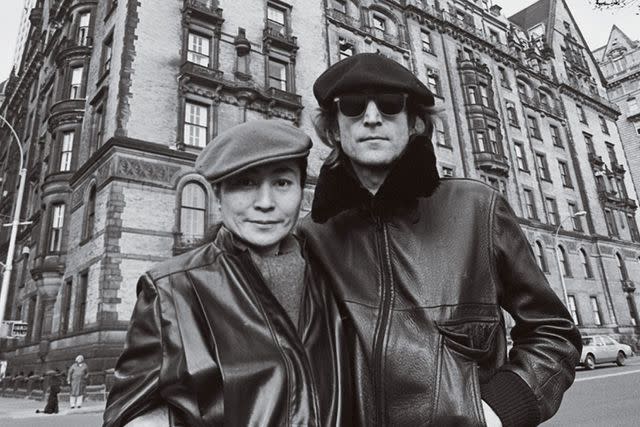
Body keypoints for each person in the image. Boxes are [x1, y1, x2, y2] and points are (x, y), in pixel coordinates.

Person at [299, 53, 582, 427]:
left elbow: (554, 332)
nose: (370, 117)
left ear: (415, 123)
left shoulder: (478, 208)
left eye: (389, 104)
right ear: (334, 128)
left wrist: (497, 411)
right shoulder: (310, 237)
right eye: (351, 106)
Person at [103, 120, 351, 427]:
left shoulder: (336, 277)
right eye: (246, 183)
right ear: (218, 196)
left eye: (282, 183)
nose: (265, 203)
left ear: (302, 191)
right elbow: (129, 414)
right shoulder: (170, 291)